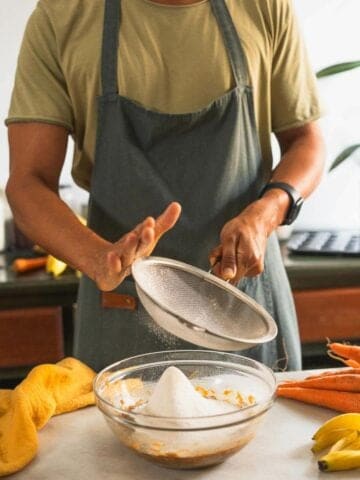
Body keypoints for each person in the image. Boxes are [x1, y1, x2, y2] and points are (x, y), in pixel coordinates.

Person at [5, 0, 325, 372]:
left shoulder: (264, 7)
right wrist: (99, 258)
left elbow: (307, 141)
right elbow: (27, 183)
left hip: (243, 300)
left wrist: (264, 215)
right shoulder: (63, 16)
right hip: (122, 303)